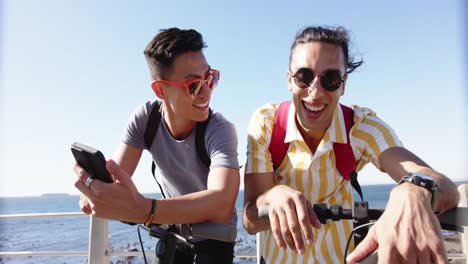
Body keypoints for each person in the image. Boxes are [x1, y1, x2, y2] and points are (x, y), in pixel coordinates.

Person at [242, 25, 460, 264]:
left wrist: (412, 190)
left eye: (331, 79)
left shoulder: (360, 127)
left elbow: (443, 185)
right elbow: (250, 219)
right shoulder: (267, 123)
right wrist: (273, 196)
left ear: (343, 85)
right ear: (289, 80)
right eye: (304, 76)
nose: (315, 92)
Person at [74, 28, 240, 263]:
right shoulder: (146, 119)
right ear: (160, 90)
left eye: (210, 77)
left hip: (214, 236)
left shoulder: (220, 128)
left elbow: (221, 204)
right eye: (193, 85)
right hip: (173, 230)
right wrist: (94, 187)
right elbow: (117, 181)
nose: (206, 91)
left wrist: (146, 210)